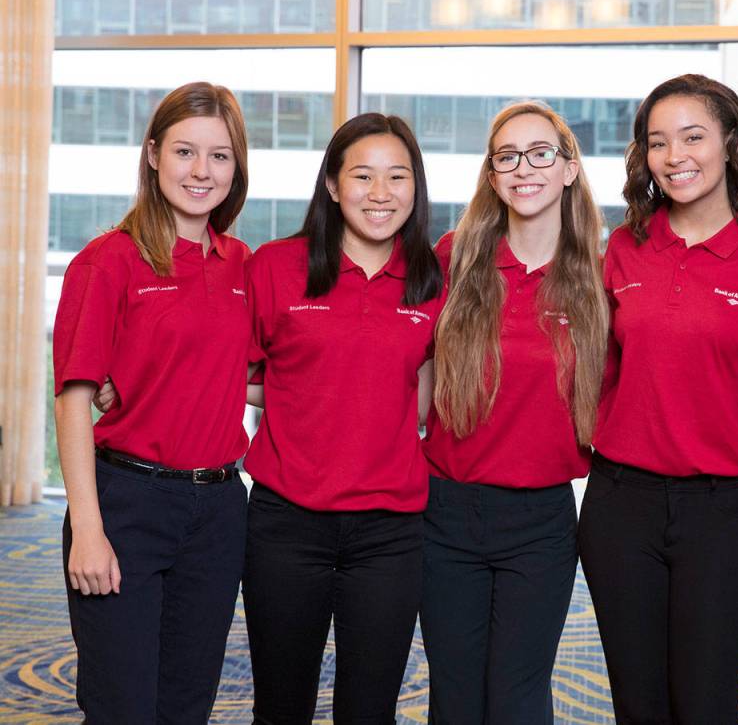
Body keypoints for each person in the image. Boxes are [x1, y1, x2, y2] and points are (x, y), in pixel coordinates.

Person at [53, 81, 251, 723]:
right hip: (128, 505)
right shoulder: (107, 261)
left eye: (219, 156)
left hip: (220, 510)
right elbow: (74, 397)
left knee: (187, 705)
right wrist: (88, 528)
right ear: (152, 154)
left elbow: (247, 374)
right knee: (122, 707)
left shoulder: (242, 264)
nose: (202, 171)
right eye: (186, 152)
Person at [577, 74, 738, 724]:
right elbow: (594, 366)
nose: (675, 155)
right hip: (620, 506)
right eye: (658, 142)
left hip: (724, 510)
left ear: (731, 143)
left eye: (693, 136)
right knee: (637, 705)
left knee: (707, 706)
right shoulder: (624, 247)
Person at [241, 112, 443, 724]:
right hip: (286, 523)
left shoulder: (435, 279)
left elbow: (428, 379)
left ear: (416, 187)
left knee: (370, 710)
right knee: (281, 707)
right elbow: (232, 371)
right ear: (332, 184)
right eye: (362, 176)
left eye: (397, 177)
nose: (380, 194)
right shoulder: (275, 266)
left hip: (390, 531)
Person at [421, 101, 608, 724]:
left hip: (541, 520)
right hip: (446, 510)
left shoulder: (602, 277)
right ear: (493, 174)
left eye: (540, 153)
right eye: (507, 156)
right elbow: (382, 354)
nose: (524, 168)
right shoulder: (456, 259)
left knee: (517, 698)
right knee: (454, 695)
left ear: (569, 168)